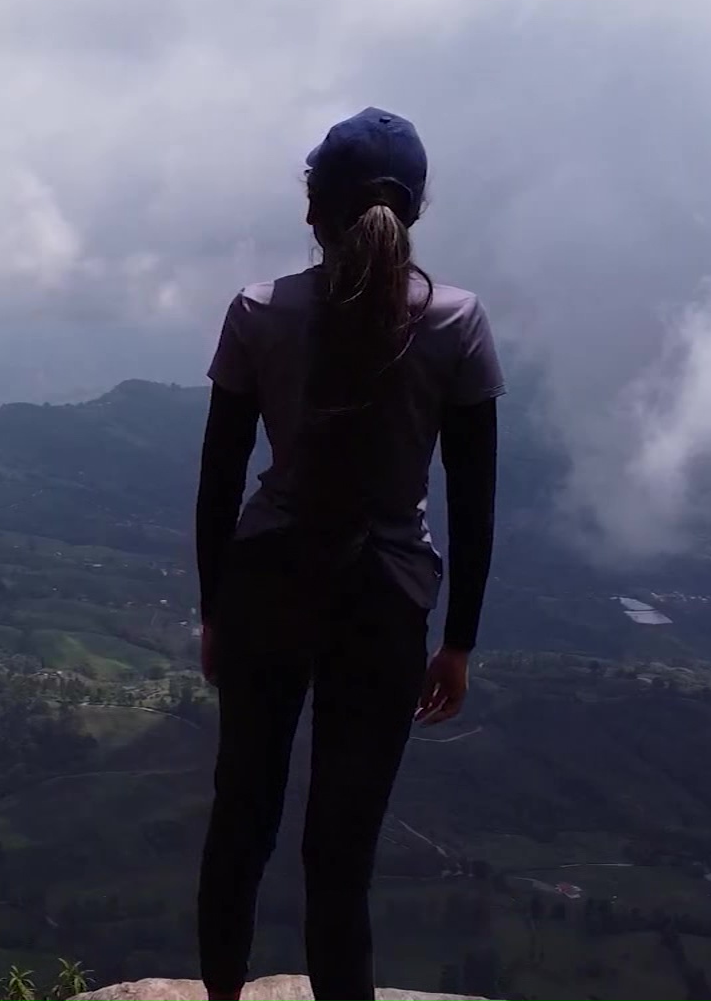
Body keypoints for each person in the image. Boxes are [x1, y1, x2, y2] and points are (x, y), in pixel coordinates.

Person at [193, 107, 503, 1001]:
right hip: (386, 602)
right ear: (413, 213)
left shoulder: (259, 313)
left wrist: (215, 612)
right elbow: (474, 501)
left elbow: (219, 484)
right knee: (341, 857)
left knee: (240, 822)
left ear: (311, 211)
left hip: (266, 588)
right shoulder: (457, 324)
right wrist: (459, 643)